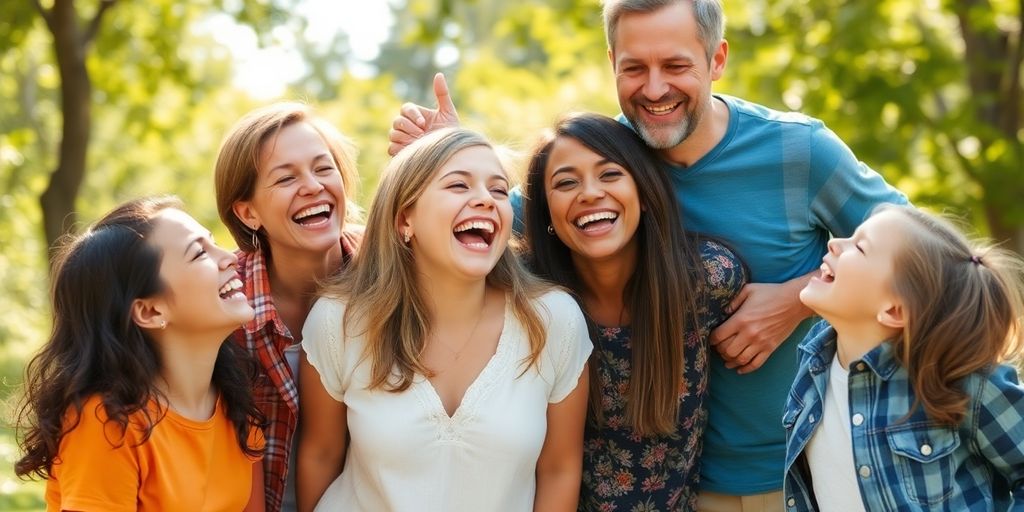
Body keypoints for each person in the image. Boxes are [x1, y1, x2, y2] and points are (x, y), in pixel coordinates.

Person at [387, 1, 908, 507]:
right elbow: (481, 228)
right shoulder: (600, 165)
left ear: (717, 60)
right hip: (687, 488)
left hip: (811, 465)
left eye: (676, 65)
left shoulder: (799, 152)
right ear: (613, 64)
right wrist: (448, 160)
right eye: (635, 68)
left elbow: (919, 248)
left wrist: (800, 299)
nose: (655, 88)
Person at [297, 128, 592, 512]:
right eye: (458, 186)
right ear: (405, 219)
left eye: (499, 190)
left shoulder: (552, 320)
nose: (486, 200)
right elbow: (320, 455)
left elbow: (559, 469)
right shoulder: (339, 321)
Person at [523, 112, 746, 510]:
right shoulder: (527, 300)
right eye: (566, 182)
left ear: (643, 193)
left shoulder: (704, 278)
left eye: (609, 175)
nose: (590, 193)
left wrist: (792, 298)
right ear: (546, 213)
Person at [14, 196, 266, 511]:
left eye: (214, 243)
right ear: (149, 311)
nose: (229, 257)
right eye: (200, 252)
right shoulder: (107, 423)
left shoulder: (236, 400)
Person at [785, 204, 1024, 511]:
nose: (835, 242)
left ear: (894, 310)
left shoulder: (957, 379)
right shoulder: (812, 362)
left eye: (859, 247)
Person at [214, 102, 362, 512]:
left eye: (323, 168)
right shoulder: (221, 305)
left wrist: (443, 156)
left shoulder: (391, 271)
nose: (313, 186)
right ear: (248, 212)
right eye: (285, 177)